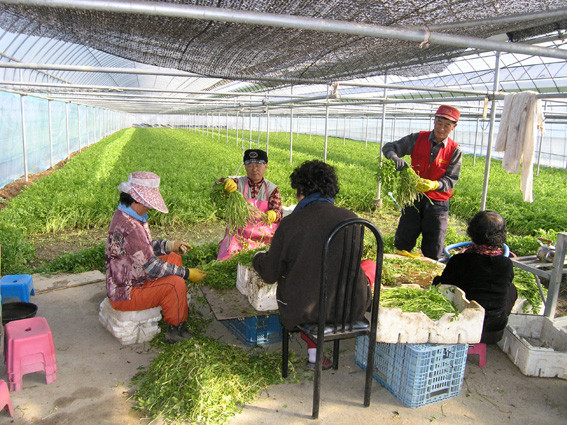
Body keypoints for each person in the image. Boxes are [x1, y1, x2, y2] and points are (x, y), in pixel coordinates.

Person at [253, 160, 372, 370]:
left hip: (305, 310)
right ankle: (316, 354)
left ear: (301, 191)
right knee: (368, 266)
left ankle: (314, 352)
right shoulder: (351, 218)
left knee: (302, 278)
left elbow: (270, 273)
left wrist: (258, 258)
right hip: (349, 308)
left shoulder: (291, 223)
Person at [105, 171, 206, 344]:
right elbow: (151, 265)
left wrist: (169, 245)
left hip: (134, 273)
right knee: (175, 283)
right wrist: (187, 273)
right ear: (137, 200)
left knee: (173, 258)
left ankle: (174, 305)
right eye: (147, 203)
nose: (150, 207)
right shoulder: (130, 225)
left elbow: (142, 248)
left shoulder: (129, 215)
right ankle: (175, 329)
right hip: (126, 292)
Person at [382, 105, 463, 261]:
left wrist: (435, 185)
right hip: (414, 196)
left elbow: (451, 179)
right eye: (439, 123)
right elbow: (389, 147)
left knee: (434, 245)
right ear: (434, 121)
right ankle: (400, 261)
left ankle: (431, 267)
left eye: (447, 125)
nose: (441, 128)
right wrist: (395, 158)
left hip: (438, 202)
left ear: (454, 127)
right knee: (404, 237)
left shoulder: (454, 150)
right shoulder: (417, 138)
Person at [433, 210, 517, 344]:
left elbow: (441, 287)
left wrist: (435, 279)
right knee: (511, 289)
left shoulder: (460, 260)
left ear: (472, 232)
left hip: (463, 328)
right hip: (494, 330)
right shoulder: (506, 264)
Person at [216, 148, 283, 260]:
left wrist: (274, 214)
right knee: (229, 255)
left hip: (263, 235)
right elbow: (217, 188)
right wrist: (224, 183)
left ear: (265, 166)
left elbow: (279, 212)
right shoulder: (238, 183)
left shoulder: (272, 189)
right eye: (250, 165)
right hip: (239, 233)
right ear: (245, 167)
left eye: (258, 165)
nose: (254, 169)